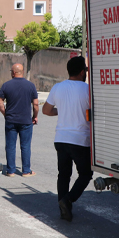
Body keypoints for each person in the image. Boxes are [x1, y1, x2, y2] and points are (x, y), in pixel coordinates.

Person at [42, 56, 93, 222]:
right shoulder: (87, 90)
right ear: (81, 72)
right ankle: (68, 200)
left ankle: (64, 208)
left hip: (61, 138)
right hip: (79, 139)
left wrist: (61, 111)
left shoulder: (58, 87)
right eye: (85, 70)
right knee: (85, 174)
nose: (86, 72)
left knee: (63, 175)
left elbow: (46, 110)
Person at [0, 63, 39, 177]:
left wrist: (5, 114)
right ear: (22, 71)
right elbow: (35, 104)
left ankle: (10, 171)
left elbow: (0, 102)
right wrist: (35, 116)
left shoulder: (6, 85)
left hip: (11, 120)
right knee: (25, 146)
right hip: (26, 121)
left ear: (14, 72)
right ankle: (26, 171)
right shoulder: (30, 86)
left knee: (10, 146)